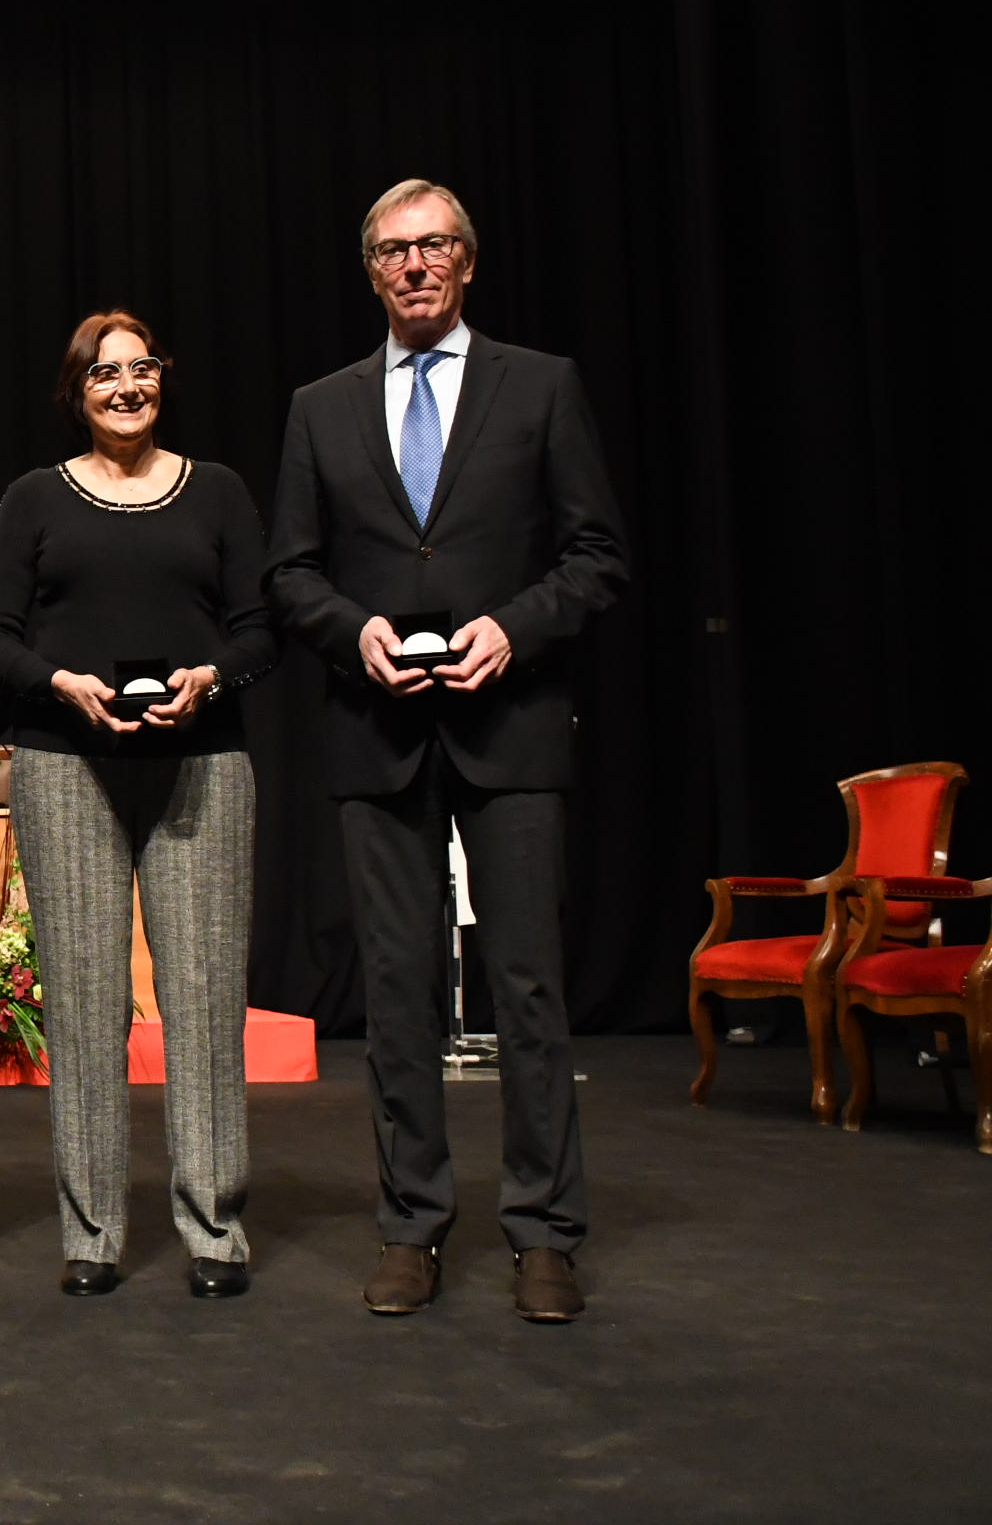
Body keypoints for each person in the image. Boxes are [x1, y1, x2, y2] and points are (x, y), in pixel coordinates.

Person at [265, 179, 629, 1323]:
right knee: (398, 985)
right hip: (376, 733)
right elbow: (289, 573)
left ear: (467, 260)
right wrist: (351, 630)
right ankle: (412, 1221)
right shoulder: (319, 406)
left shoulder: (541, 385)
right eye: (392, 250)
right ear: (370, 270)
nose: (414, 265)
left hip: (508, 726)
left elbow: (597, 554)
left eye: (433, 247)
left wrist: (509, 631)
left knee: (525, 983)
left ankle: (544, 1231)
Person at [0, 311, 273, 1300]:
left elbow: (259, 632)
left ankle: (215, 1227)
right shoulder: (33, 499)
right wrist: (62, 682)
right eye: (105, 373)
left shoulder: (218, 490)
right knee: (89, 999)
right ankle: (94, 1230)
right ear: (77, 389)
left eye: (141, 368)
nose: (125, 386)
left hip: (201, 759)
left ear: (161, 379)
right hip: (67, 763)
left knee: (204, 996)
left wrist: (209, 679)